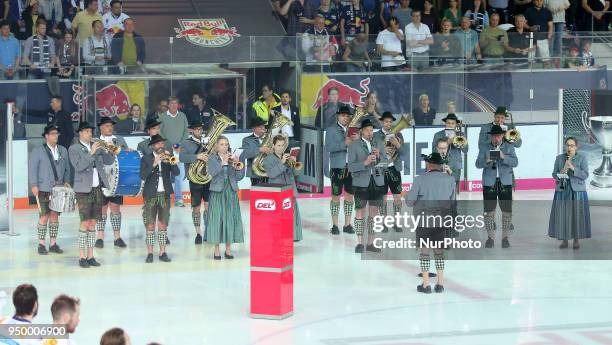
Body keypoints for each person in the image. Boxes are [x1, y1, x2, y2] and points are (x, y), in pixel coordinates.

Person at [406, 152, 455, 293]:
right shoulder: (450, 179)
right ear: (441, 165)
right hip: (441, 220)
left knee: (425, 251)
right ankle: (440, 283)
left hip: (423, 221)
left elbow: (409, 202)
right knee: (439, 252)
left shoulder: (420, 179)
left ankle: (426, 284)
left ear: (428, 164)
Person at [69, 121, 115, 268]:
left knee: (93, 223)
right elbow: (79, 166)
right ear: (81, 133)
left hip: (97, 188)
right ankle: (82, 257)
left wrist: (110, 150)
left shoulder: (96, 145)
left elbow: (108, 161)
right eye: (87, 131)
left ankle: (91, 255)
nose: (90, 134)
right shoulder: (74, 148)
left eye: (91, 131)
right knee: (84, 222)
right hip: (83, 189)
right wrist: (91, 153)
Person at [29, 124, 71, 255]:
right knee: (44, 216)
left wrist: (67, 181)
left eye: (57, 133)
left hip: (58, 189)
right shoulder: (38, 150)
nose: (55, 136)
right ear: (46, 136)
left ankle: (53, 243)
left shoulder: (63, 150)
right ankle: (41, 244)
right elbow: (32, 169)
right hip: (43, 188)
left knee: (54, 216)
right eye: (53, 134)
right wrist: (34, 185)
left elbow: (67, 168)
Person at [475, 124, 518, 248]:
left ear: (503, 136)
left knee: (507, 211)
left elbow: (515, 162)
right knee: (489, 212)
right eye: (494, 136)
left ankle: (505, 238)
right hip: (489, 182)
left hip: (505, 181)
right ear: (491, 137)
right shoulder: (484, 147)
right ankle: (490, 238)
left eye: (498, 136)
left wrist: (504, 157)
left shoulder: (509, 147)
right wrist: (487, 161)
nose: (496, 139)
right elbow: (478, 164)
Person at [348, 118, 386, 253]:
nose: (370, 132)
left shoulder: (379, 143)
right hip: (361, 183)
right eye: (368, 130)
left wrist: (380, 157)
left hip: (376, 182)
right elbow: (351, 167)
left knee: (374, 214)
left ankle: (371, 243)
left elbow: (386, 164)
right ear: (362, 131)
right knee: (359, 212)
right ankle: (359, 243)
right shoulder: (354, 145)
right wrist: (364, 162)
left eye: (372, 130)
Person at [140, 134, 179, 263]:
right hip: (150, 195)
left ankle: (162, 252)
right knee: (150, 225)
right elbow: (143, 176)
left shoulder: (168, 158)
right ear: (152, 146)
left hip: (165, 194)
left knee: (163, 224)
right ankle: (150, 253)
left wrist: (172, 158)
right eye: (158, 144)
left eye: (162, 143)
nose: (160, 146)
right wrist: (154, 163)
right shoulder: (146, 158)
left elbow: (177, 172)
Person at [206, 136, 245, 259]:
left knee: (230, 219)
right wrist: (222, 162)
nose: (224, 147)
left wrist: (238, 167)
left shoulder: (232, 158)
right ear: (217, 146)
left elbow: (238, 177)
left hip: (231, 190)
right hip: (217, 191)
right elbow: (212, 173)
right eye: (222, 144)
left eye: (226, 144)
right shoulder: (212, 158)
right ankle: (216, 249)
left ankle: (228, 249)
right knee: (217, 219)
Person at [548, 137, 591, 249]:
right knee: (563, 215)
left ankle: (576, 240)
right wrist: (562, 170)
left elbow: (585, 175)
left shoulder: (582, 158)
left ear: (576, 147)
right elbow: (554, 174)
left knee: (576, 216)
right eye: (567, 145)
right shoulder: (559, 158)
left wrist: (572, 167)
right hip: (562, 190)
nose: (569, 147)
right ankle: (564, 240)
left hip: (577, 191)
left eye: (572, 145)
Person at [94, 117, 129, 249]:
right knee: (102, 209)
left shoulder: (119, 139)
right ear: (101, 128)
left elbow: (125, 155)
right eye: (107, 126)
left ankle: (117, 237)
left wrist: (127, 151)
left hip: (117, 178)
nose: (110, 128)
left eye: (111, 126)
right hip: (102, 178)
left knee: (115, 208)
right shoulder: (97, 142)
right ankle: (100, 237)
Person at [264, 134, 303, 242]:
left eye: (282, 145)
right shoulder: (268, 159)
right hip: (277, 191)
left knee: (291, 215)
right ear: (274, 146)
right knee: (278, 217)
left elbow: (295, 173)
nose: (281, 148)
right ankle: (278, 237)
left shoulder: (287, 156)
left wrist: (294, 162)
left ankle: (293, 236)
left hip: (289, 189)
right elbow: (271, 174)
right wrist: (281, 163)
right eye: (278, 145)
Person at [325, 105, 356, 235]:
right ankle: (335, 225)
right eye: (343, 115)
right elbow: (329, 147)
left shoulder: (353, 130)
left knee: (350, 196)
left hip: (351, 167)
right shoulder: (331, 130)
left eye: (347, 115)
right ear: (338, 116)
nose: (345, 117)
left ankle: (348, 224)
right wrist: (345, 144)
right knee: (336, 196)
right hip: (338, 168)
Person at [373, 112, 406, 232]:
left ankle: (396, 222)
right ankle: (383, 223)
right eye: (386, 121)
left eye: (390, 121)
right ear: (382, 122)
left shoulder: (398, 134)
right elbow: (372, 151)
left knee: (397, 197)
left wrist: (398, 145)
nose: (388, 123)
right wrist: (383, 148)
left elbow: (403, 153)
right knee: (383, 198)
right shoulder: (376, 135)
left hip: (394, 168)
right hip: (381, 168)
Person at [179, 121, 210, 245]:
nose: (199, 131)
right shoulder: (186, 143)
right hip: (195, 178)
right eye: (197, 129)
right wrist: (197, 156)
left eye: (201, 129)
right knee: (196, 207)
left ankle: (207, 230)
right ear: (191, 130)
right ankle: (198, 233)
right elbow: (182, 158)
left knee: (208, 206)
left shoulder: (207, 140)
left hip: (208, 177)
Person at [160, 96, 189, 207]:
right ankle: (165, 198)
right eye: (171, 103)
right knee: (165, 175)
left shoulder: (182, 116)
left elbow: (186, 132)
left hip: (179, 151)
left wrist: (180, 145)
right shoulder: (162, 116)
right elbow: (160, 132)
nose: (173, 105)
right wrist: (168, 145)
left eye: (175, 103)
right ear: (168, 105)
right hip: (166, 151)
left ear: (178, 105)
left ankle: (178, 199)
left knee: (179, 175)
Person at [432, 113, 468, 191]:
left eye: (452, 123)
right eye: (448, 123)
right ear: (445, 123)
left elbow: (466, 150)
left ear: (456, 124)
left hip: (455, 167)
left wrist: (458, 139)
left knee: (454, 193)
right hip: (441, 166)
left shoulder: (461, 134)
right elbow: (434, 151)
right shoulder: (438, 135)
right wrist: (448, 142)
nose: (450, 125)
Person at [241, 117, 270, 186]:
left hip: (270, 172)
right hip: (256, 174)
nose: (263, 127)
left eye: (263, 125)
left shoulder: (270, 138)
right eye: (260, 126)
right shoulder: (247, 140)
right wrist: (259, 149)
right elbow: (244, 154)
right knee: (258, 195)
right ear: (253, 129)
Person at [524, 0, 553, 67]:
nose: (539, 2)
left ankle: (545, 75)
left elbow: (550, 26)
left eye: (541, 0)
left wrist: (549, 36)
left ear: (543, 1)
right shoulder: (528, 11)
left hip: (543, 37)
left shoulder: (547, 11)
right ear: (534, 1)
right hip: (531, 37)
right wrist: (530, 27)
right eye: (537, 0)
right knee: (530, 59)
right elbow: (524, 23)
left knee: (546, 60)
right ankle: (529, 75)